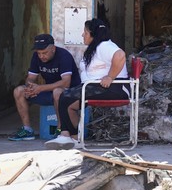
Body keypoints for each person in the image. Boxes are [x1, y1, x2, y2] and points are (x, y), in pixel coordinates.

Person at [45, 18, 128, 149]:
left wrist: (110, 77)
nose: (83, 35)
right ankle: (73, 138)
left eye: (85, 32)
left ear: (93, 34)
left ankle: (66, 135)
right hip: (97, 87)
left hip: (115, 88)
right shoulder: (96, 47)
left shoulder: (105, 45)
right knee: (67, 100)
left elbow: (120, 55)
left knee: (66, 97)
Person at [8, 34, 81, 141]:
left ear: (53, 48)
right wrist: (30, 87)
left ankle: (60, 131)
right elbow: (31, 78)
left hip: (68, 94)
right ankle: (27, 130)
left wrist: (40, 88)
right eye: (39, 53)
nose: (42, 56)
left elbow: (66, 83)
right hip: (48, 92)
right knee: (19, 91)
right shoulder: (36, 57)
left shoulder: (64, 56)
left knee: (57, 92)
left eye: (45, 53)